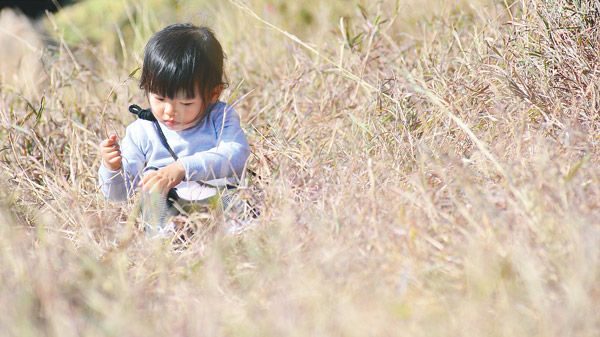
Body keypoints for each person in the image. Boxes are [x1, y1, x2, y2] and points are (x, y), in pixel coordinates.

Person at [98, 23, 250, 230]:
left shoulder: (219, 117)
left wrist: (183, 168)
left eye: (186, 103)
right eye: (159, 98)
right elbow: (118, 195)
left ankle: (238, 231)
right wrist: (112, 168)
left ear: (214, 93)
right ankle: (167, 239)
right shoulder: (142, 132)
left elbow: (237, 154)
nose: (169, 111)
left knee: (236, 198)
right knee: (152, 197)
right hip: (169, 207)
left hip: (216, 199)